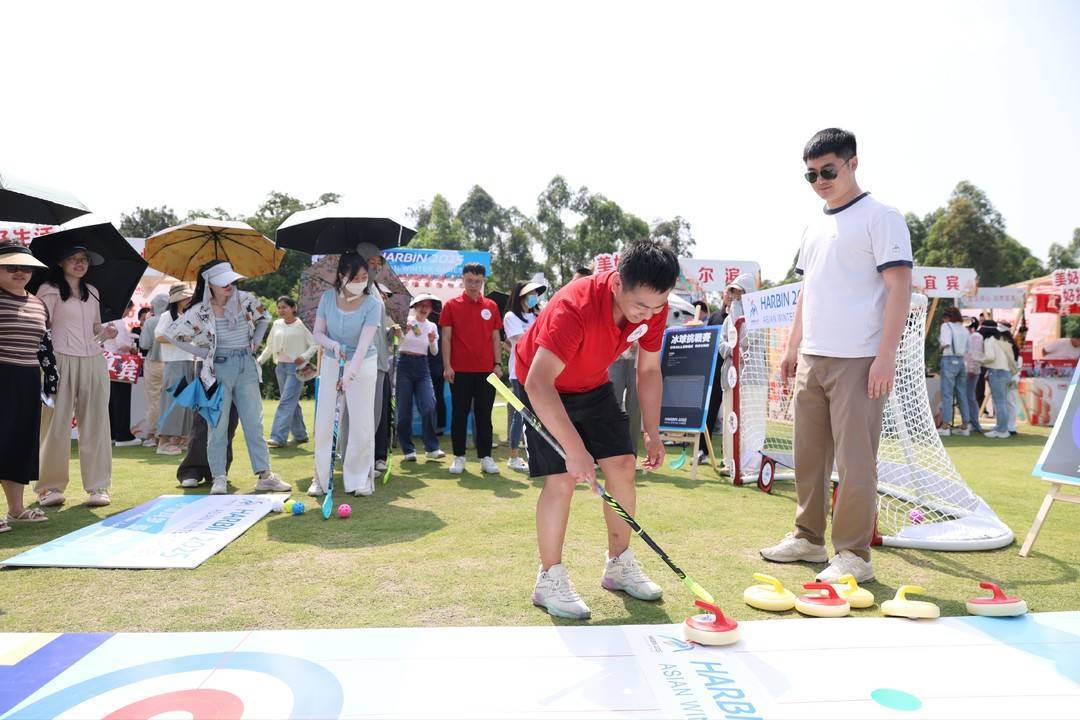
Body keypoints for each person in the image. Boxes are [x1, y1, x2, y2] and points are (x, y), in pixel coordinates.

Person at [760, 128, 913, 584]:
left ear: (853, 163)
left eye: (829, 170)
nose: (821, 180)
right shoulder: (814, 225)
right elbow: (809, 289)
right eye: (811, 174)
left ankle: (853, 556)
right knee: (808, 456)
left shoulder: (882, 217)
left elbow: (899, 287)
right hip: (813, 356)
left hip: (860, 359)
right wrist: (791, 345)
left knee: (855, 461)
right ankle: (808, 538)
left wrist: (886, 355)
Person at [515, 239, 677, 620]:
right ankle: (549, 579)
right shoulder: (575, 307)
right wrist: (574, 448)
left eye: (657, 306)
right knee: (561, 479)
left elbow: (649, 369)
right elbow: (539, 384)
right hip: (544, 387)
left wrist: (652, 431)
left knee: (622, 465)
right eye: (641, 305)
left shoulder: (653, 307)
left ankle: (619, 564)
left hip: (591, 384)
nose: (649, 315)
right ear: (618, 283)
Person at [165, 260, 289, 495]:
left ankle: (265, 475)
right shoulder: (200, 311)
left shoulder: (246, 299)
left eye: (231, 280)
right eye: (223, 282)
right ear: (209, 283)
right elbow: (173, 335)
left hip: (246, 366)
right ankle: (218, 478)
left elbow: (264, 318)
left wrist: (257, 341)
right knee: (217, 426)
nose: (229, 285)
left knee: (254, 422)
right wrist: (204, 352)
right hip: (216, 370)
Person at [35, 243, 116, 508]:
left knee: (96, 423)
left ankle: (98, 486)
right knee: (55, 425)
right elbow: (41, 325)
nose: (80, 264)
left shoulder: (92, 291)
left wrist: (106, 332)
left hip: (93, 360)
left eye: (83, 259)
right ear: (61, 263)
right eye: (73, 259)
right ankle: (49, 488)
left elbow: (94, 329)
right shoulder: (49, 289)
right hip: (59, 360)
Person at [310, 252, 384, 497]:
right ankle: (320, 478)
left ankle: (359, 478)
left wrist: (349, 375)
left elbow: (363, 345)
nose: (361, 281)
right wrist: (332, 345)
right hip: (333, 362)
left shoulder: (373, 303)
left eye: (364, 277)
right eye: (356, 277)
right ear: (342, 277)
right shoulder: (327, 298)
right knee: (324, 422)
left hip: (362, 366)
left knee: (362, 423)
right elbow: (317, 333)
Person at [0, 243, 56, 531]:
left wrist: (51, 379)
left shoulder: (38, 303)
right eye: (11, 267)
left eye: (25, 267)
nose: (20, 272)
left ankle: (17, 510)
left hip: (28, 378)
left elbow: (44, 346)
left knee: (21, 444)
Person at [440, 262, 503, 475]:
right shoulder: (451, 305)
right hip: (460, 371)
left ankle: (486, 457)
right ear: (463, 280)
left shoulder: (492, 306)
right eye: (469, 280)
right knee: (460, 414)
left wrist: (497, 364)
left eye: (477, 281)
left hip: (487, 370)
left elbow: (496, 337)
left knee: (484, 414)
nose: (473, 285)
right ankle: (459, 457)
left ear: (483, 281)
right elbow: (446, 338)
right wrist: (447, 366)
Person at [258, 296, 317, 448]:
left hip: (297, 369)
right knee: (291, 402)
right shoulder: (277, 324)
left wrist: (303, 357)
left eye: (285, 307)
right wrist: (259, 362)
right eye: (279, 307)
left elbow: (315, 345)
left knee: (285, 402)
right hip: (281, 368)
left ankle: (278, 437)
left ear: (293, 308)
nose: (281, 310)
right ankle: (300, 435)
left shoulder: (301, 325)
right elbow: (270, 347)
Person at [396, 293, 446, 462]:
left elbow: (434, 351)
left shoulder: (431, 326)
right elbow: (399, 344)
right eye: (421, 305)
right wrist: (401, 333)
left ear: (431, 309)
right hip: (404, 364)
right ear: (415, 307)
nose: (424, 309)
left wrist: (432, 341)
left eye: (427, 306)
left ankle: (432, 447)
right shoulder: (406, 322)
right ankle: (408, 449)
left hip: (423, 366)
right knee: (404, 410)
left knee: (429, 405)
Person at [504, 280, 546, 472]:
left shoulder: (539, 315)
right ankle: (514, 456)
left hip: (539, 371)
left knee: (540, 414)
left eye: (536, 294)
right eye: (530, 294)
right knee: (522, 415)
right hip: (519, 371)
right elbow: (521, 342)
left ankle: (538, 455)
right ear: (520, 296)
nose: (534, 298)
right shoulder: (511, 316)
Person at [718, 273, 757, 472]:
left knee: (750, 421)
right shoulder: (728, 319)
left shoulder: (758, 317)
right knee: (729, 419)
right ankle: (729, 462)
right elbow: (722, 343)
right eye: (733, 290)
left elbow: (752, 342)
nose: (735, 295)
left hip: (751, 377)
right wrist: (732, 350)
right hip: (730, 375)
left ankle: (749, 464)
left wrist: (741, 351)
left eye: (739, 291)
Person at [155, 283, 196, 456]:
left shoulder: (189, 316)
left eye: (189, 297)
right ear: (177, 300)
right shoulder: (167, 316)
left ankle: (179, 439)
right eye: (185, 297)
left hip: (188, 361)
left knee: (186, 404)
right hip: (174, 363)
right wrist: (180, 337)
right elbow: (159, 337)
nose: (188, 300)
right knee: (173, 403)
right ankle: (163, 443)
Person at [104, 301, 141, 447]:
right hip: (121, 363)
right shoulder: (118, 321)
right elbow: (121, 344)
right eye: (128, 311)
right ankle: (123, 435)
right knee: (121, 400)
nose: (127, 314)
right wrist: (132, 347)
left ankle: (113, 433)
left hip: (110, 362)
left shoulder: (108, 319)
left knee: (112, 400)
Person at [371, 282, 399, 474]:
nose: (385, 298)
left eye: (387, 295)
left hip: (382, 368)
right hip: (359, 370)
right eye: (382, 294)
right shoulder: (362, 308)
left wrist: (392, 333)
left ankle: (380, 457)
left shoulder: (390, 318)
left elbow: (386, 344)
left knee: (381, 413)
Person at [138, 294, 169, 447]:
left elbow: (144, 344)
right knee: (170, 400)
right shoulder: (173, 319)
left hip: (154, 362)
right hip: (172, 363)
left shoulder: (151, 322)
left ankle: (152, 434)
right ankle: (169, 433)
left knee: (154, 400)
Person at [936, 306, 972, 436]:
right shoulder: (964, 329)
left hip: (949, 359)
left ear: (947, 317)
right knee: (962, 394)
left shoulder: (946, 326)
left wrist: (939, 348)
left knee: (947, 394)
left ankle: (945, 426)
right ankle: (965, 426)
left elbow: (945, 343)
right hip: (961, 361)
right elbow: (969, 348)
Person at [980, 325, 1018, 438]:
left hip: (996, 373)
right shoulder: (1003, 341)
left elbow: (990, 357)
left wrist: (980, 360)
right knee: (1004, 403)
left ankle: (1002, 430)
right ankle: (1002, 428)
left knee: (1000, 403)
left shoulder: (989, 340)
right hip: (1007, 373)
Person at [963, 317, 985, 433]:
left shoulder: (974, 337)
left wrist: (971, 368)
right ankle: (972, 422)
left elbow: (973, 354)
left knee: (969, 397)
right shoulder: (976, 336)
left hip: (970, 370)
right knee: (969, 396)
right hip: (971, 369)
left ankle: (974, 423)